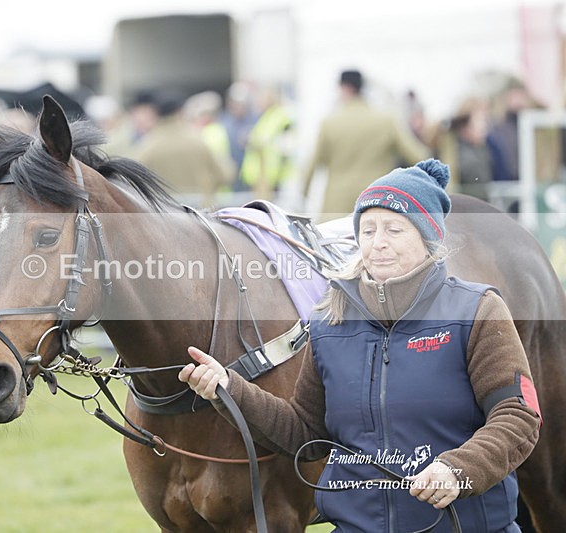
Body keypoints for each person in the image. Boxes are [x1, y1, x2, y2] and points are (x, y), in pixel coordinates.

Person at [179, 159, 541, 532]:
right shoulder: (329, 321)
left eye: (394, 229)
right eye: (367, 230)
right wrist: (230, 389)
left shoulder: (477, 310)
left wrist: (457, 471)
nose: (378, 242)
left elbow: (519, 417)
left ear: (427, 238)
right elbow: (306, 432)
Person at [302, 69, 429, 219]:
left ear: (344, 88)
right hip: (376, 201)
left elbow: (311, 166)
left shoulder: (329, 123)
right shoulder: (387, 121)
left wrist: (303, 195)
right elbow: (419, 156)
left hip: (335, 207)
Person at [134, 89, 231, 207]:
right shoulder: (198, 140)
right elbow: (224, 175)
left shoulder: (147, 145)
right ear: (180, 112)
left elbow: (134, 181)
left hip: (165, 215)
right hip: (200, 214)